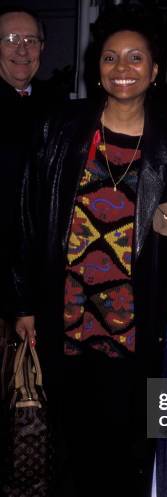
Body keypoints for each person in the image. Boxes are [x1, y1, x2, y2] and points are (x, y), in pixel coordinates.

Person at [12, 8, 167, 497]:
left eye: (135, 57)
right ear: (98, 69)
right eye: (111, 57)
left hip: (134, 315)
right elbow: (27, 215)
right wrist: (22, 301)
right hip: (66, 307)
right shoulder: (61, 128)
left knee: (123, 424)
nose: (123, 67)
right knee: (76, 418)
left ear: (155, 68)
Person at [0, 6, 64, 317]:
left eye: (32, 40)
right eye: (11, 39)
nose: (22, 49)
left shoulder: (58, 106)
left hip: (39, 265)